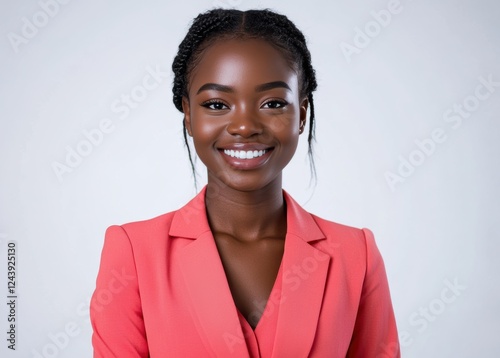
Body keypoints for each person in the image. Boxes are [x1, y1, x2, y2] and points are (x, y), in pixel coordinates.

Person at [90, 8, 400, 357]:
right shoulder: (132, 253)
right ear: (189, 115)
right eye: (218, 104)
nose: (244, 126)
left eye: (272, 103)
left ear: (302, 114)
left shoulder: (356, 255)